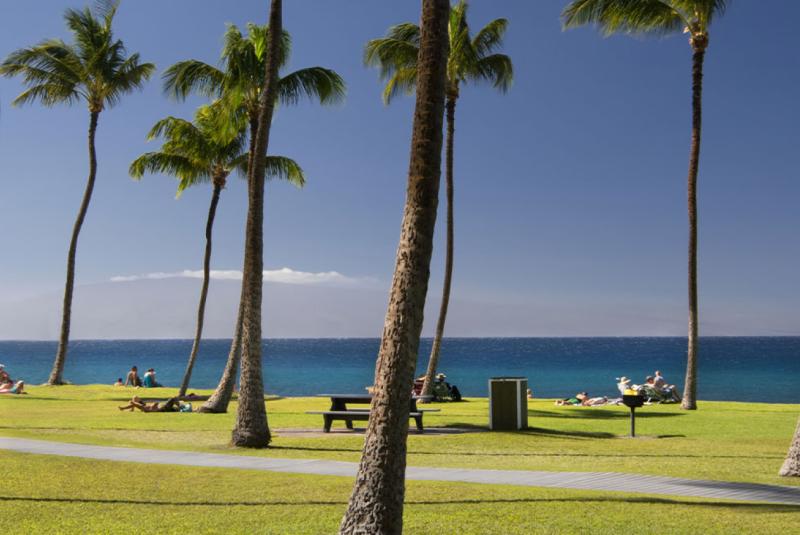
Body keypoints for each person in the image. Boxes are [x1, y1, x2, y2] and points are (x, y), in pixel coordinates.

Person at [118, 395, 184, 413]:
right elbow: (139, 405)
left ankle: (123, 408)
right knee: (173, 398)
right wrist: (133, 402)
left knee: (135, 399)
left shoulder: (145, 408)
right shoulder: (148, 409)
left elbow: (139, 405)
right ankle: (181, 407)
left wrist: (133, 402)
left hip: (162, 407)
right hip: (164, 407)